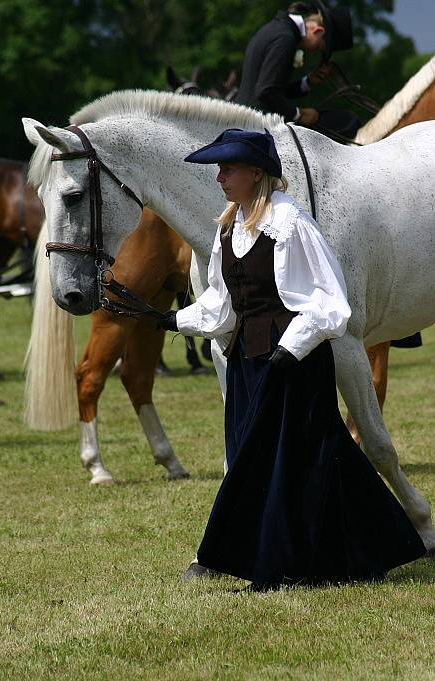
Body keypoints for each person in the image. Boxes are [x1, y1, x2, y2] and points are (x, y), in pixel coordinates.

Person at [158, 128, 425, 590]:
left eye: (228, 168)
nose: (219, 177)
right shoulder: (229, 228)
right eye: (219, 169)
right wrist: (168, 320)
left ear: (256, 174)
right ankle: (376, 545)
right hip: (248, 362)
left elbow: (330, 300)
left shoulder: (291, 223)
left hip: (293, 363)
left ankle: (269, 570)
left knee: (278, 462)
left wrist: (290, 349)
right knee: (285, 457)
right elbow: (223, 306)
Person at [235, 1, 360, 140]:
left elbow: (273, 89)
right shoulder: (285, 38)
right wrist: (299, 114)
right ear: (318, 31)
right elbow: (266, 91)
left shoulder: (278, 28)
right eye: (319, 47)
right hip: (258, 123)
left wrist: (308, 82)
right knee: (346, 122)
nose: (314, 51)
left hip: (251, 116)